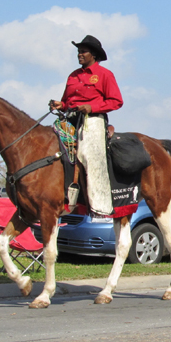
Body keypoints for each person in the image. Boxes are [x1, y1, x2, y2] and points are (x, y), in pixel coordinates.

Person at [50, 35, 123, 216]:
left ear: (94, 55)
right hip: (70, 120)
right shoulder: (73, 75)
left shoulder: (105, 74)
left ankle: (99, 205)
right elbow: (67, 102)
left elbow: (116, 101)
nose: (79, 54)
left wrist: (91, 107)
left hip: (93, 120)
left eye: (83, 52)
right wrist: (61, 105)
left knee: (89, 155)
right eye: (78, 51)